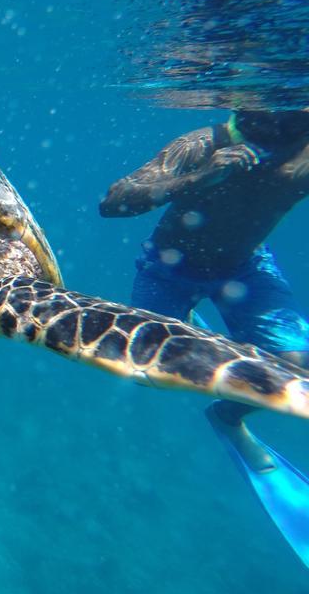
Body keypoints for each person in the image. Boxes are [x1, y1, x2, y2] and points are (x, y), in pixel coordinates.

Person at [100, 108, 309, 567]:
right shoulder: (201, 144)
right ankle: (189, 323)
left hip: (246, 266)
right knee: (144, 369)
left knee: (298, 367)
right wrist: (198, 179)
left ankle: (228, 418)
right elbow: (114, 202)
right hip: (170, 265)